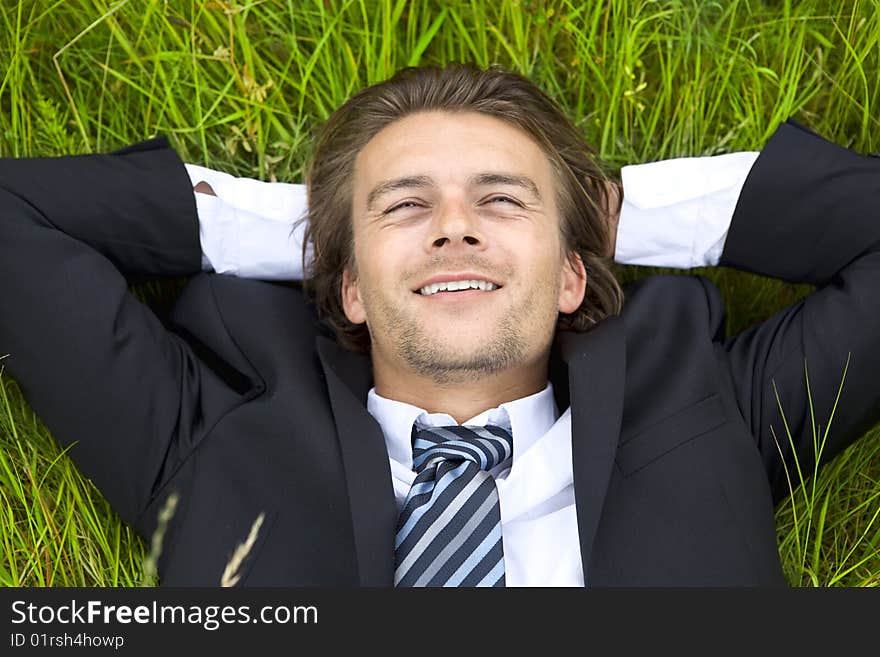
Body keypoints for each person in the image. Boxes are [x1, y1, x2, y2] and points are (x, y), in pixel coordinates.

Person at [1, 63, 878, 586]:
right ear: (346, 288)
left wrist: (617, 213)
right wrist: (308, 227)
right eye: (405, 205)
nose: (454, 226)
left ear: (575, 272)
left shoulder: (707, 406)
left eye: (500, 199)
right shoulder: (211, 436)